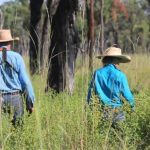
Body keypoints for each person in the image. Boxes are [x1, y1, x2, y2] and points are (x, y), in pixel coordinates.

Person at [87, 46, 135, 126]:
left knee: (103, 136)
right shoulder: (120, 75)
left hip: (101, 112)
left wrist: (91, 109)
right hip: (117, 113)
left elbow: (90, 95)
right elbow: (128, 96)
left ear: (105, 60)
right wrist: (132, 108)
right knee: (119, 136)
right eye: (118, 60)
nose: (119, 63)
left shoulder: (97, 73)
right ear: (115, 60)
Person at [0, 29, 35, 126]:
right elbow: (25, 83)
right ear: (10, 42)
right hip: (15, 99)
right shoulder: (17, 57)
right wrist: (30, 103)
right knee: (17, 131)